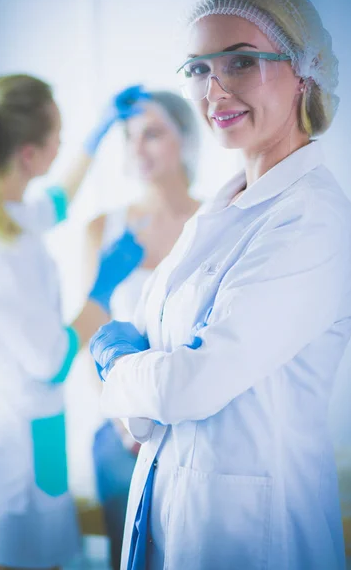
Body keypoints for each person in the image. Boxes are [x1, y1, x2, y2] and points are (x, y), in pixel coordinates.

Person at [90, 0, 351, 570]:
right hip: (170, 513)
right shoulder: (221, 209)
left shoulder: (313, 219)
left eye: (240, 61)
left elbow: (191, 384)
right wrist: (146, 388)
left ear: (305, 70)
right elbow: (158, 378)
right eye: (197, 68)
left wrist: (113, 364)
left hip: (255, 534)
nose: (213, 91)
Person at [0, 75, 147, 569]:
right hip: (12, 445)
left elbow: (59, 200)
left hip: (27, 426)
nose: (64, 145)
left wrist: (99, 132)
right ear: (28, 154)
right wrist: (101, 292)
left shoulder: (4, 210)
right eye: (58, 137)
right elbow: (53, 360)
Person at [86, 89, 200, 570]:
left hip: (194, 425)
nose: (138, 148)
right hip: (121, 434)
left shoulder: (217, 222)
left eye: (152, 134)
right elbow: (90, 328)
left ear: (186, 138)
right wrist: (122, 420)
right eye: (130, 137)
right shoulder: (104, 228)